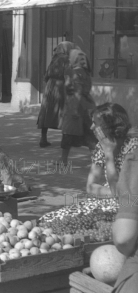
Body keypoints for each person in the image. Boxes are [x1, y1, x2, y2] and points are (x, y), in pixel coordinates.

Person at [105, 123, 138, 293]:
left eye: (95, 124)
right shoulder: (101, 149)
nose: (91, 128)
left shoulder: (134, 154)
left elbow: (124, 237)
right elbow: (92, 187)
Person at [86, 103, 138, 198]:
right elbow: (90, 187)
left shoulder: (134, 148)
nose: (91, 127)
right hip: (113, 199)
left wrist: (108, 153)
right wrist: (113, 193)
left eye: (95, 123)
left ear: (110, 125)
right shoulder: (102, 145)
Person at [37, 41, 80, 147]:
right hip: (60, 87)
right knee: (63, 112)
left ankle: (43, 139)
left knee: (46, 112)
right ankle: (64, 141)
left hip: (50, 86)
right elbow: (68, 75)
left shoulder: (54, 59)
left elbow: (46, 75)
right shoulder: (66, 59)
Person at [59, 49, 96, 166]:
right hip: (88, 105)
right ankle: (97, 161)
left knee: (68, 134)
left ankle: (63, 160)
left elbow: (77, 91)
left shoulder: (74, 72)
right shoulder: (85, 72)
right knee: (90, 135)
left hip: (75, 106)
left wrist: (74, 109)